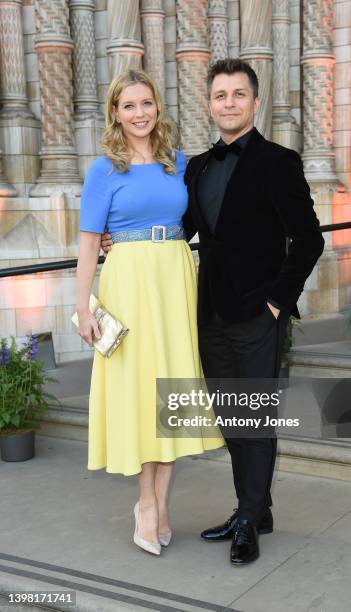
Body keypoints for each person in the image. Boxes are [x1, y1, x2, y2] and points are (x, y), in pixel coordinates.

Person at [102, 58, 325, 565]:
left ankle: (248, 517)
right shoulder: (196, 166)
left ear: (254, 101)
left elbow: (308, 240)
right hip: (205, 313)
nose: (229, 103)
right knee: (229, 416)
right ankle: (255, 508)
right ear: (209, 104)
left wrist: (275, 302)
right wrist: (124, 234)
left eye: (238, 94)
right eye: (220, 95)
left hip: (257, 314)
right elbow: (174, 225)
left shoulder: (279, 161)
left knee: (255, 417)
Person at [76, 68, 224, 557]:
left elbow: (200, 219)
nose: (139, 113)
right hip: (129, 283)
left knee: (172, 392)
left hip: (175, 277)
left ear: (157, 108)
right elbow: (88, 243)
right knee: (143, 394)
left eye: (146, 104)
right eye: (128, 106)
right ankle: (144, 503)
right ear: (115, 114)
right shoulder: (104, 169)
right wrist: (82, 306)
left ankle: (161, 506)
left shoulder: (177, 163)